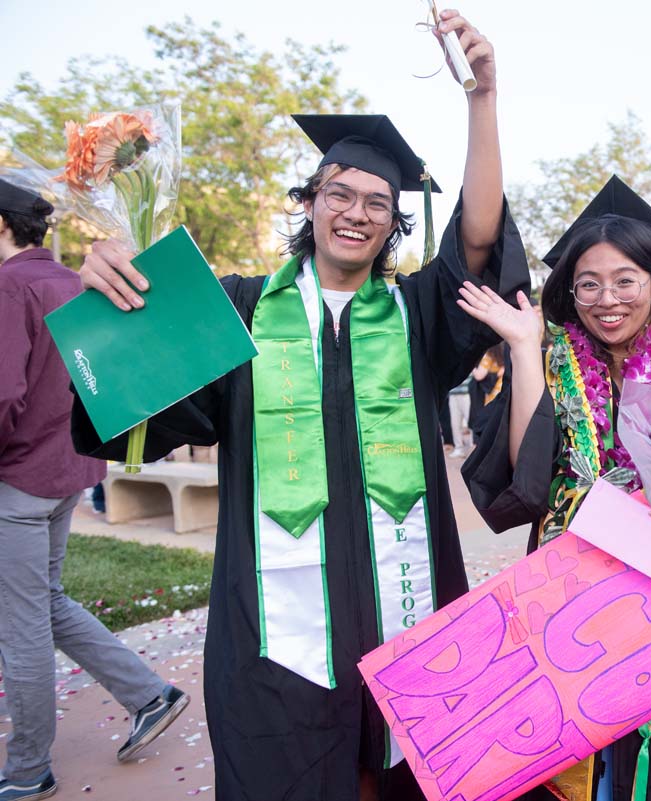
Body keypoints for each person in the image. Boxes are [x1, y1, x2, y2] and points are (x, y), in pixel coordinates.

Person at [71, 15, 529, 801]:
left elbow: (478, 241)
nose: (355, 211)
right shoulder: (239, 308)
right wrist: (116, 294)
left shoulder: (416, 314)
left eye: (376, 202)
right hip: (276, 638)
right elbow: (140, 392)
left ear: (395, 221)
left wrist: (482, 100)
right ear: (310, 203)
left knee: (409, 774)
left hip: (408, 616)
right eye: (338, 193)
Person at [460, 176, 651, 801]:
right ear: (570, 290)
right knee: (569, 740)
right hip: (566, 582)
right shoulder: (556, 360)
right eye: (589, 283)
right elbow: (526, 467)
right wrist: (526, 348)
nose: (607, 298)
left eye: (625, 281)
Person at [0, 179, 188, 800]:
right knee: (46, 602)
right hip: (69, 471)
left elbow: (4, 396)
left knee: (21, 627)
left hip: (20, 479)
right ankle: (148, 694)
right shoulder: (64, 281)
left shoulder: (10, 285)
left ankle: (27, 770)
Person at [446, 377, 472, 458]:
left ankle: (473, 448)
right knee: (455, 423)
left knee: (471, 421)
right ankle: (458, 448)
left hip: (467, 392)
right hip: (453, 393)